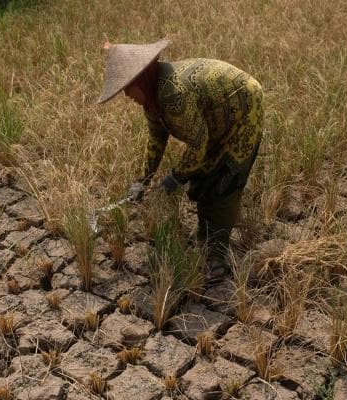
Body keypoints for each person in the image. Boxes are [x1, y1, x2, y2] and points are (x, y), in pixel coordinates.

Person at [98, 39, 264, 275]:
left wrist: (175, 178)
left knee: (223, 181)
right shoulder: (152, 100)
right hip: (215, 117)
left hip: (244, 110)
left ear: (140, 80)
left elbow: (197, 144)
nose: (126, 95)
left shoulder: (173, 94)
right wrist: (142, 180)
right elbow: (156, 140)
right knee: (202, 179)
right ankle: (206, 237)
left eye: (127, 87)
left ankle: (216, 257)